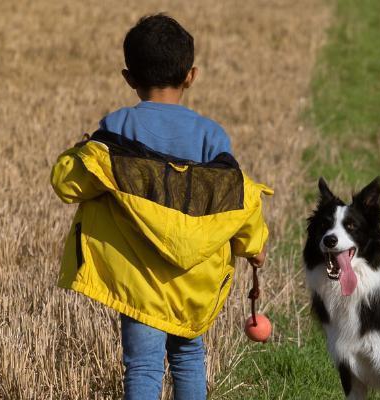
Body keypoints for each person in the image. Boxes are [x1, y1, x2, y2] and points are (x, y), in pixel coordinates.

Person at [50, 14, 272, 400]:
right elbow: (234, 196)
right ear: (191, 75)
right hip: (194, 284)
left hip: (140, 284)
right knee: (189, 357)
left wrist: (81, 150)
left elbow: (69, 184)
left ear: (129, 78)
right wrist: (254, 246)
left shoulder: (117, 127)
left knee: (143, 366)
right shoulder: (211, 136)